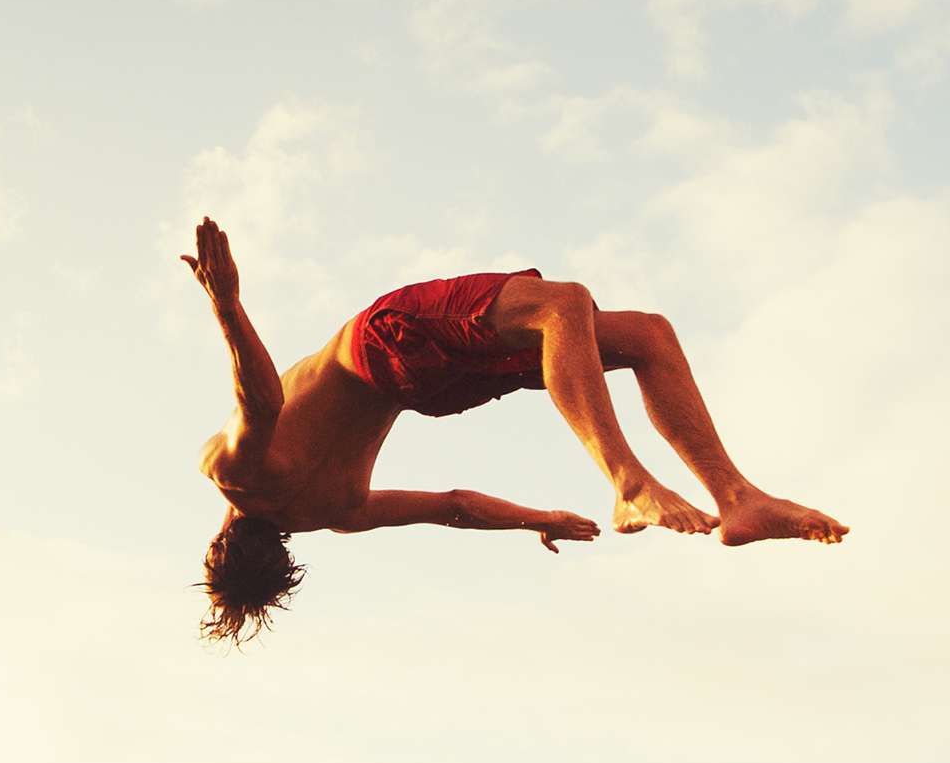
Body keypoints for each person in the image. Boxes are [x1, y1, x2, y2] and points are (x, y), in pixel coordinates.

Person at [179, 218, 845, 642]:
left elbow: (455, 509)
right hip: (386, 344)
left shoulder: (337, 512)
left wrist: (535, 518)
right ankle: (629, 481)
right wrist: (227, 304)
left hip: (429, 389)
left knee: (643, 336)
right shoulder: (233, 473)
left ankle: (737, 500)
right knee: (562, 304)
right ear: (222, 539)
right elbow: (261, 404)